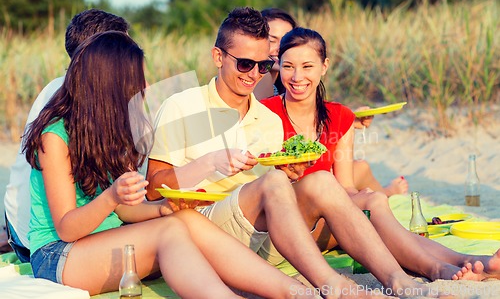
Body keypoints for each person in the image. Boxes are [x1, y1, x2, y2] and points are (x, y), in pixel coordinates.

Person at [146, 7, 440, 298]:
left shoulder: (268, 120)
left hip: (264, 240)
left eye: (262, 66)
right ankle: (332, 284)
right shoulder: (181, 106)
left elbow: (270, 192)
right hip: (206, 228)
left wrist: (289, 175)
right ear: (218, 57)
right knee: (274, 183)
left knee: (321, 180)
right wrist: (210, 162)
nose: (254, 76)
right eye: (245, 64)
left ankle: (397, 279)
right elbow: (153, 190)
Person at [22, 31, 316, 298]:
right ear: (108, 84)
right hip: (58, 254)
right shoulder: (55, 137)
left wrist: (162, 208)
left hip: (104, 238)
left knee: (183, 220)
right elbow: (67, 229)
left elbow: (124, 209)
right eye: (135, 77)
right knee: (169, 232)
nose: (146, 85)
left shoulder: (113, 128)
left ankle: (294, 292)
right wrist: (112, 195)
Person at [261, 26, 500, 282]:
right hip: (286, 226)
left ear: (324, 66)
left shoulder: (340, 116)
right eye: (288, 67)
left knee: (373, 202)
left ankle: (468, 262)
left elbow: (345, 187)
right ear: (279, 66)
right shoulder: (264, 113)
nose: (297, 77)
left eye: (307, 66)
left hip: (326, 219)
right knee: (373, 210)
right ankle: (438, 268)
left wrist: (364, 196)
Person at [3, 9, 130, 263]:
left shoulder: (91, 95)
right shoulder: (62, 102)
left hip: (70, 220)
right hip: (41, 235)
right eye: (120, 50)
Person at [254, 8, 407, 197]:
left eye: (286, 38)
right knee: (355, 171)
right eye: (272, 40)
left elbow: (309, 111)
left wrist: (349, 120)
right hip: (281, 184)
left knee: (359, 168)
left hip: (305, 174)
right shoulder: (260, 80)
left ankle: (383, 194)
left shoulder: (285, 78)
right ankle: (386, 194)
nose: (280, 47)